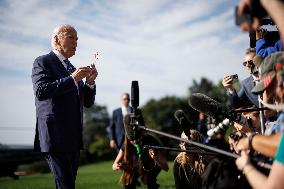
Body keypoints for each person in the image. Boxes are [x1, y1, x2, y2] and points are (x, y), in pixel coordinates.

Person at [31, 24, 98, 189]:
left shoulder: (72, 68)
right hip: (55, 136)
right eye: (71, 37)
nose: (76, 42)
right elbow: (41, 91)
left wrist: (89, 83)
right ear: (56, 40)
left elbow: (87, 103)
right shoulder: (43, 61)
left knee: (68, 185)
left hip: (73, 137)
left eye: (77, 39)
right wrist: (72, 79)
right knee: (66, 185)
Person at [112, 114, 168, 189]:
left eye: (138, 140)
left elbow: (166, 167)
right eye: (132, 141)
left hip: (151, 166)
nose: (135, 143)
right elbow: (114, 165)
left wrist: (156, 158)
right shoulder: (126, 144)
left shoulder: (151, 141)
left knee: (150, 181)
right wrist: (118, 166)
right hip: (135, 167)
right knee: (129, 182)